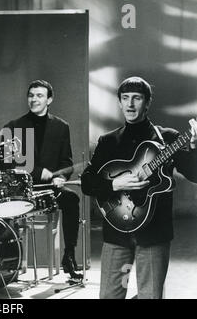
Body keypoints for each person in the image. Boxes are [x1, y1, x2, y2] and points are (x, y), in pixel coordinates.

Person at [81, 76, 197, 299]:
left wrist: (193, 147)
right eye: (125, 98)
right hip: (116, 232)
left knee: (150, 296)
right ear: (120, 102)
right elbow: (87, 182)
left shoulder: (168, 138)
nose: (130, 104)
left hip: (154, 233)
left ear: (147, 102)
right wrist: (114, 183)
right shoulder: (108, 141)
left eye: (137, 98)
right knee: (109, 296)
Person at [1, 79, 83, 279]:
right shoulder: (13, 127)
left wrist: (61, 177)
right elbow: (6, 164)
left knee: (72, 199)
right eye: (31, 95)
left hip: (50, 190)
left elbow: (66, 160)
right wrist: (38, 172)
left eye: (39, 95)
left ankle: (69, 256)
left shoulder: (61, 126)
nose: (34, 99)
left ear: (49, 100)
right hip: (21, 190)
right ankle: (11, 262)